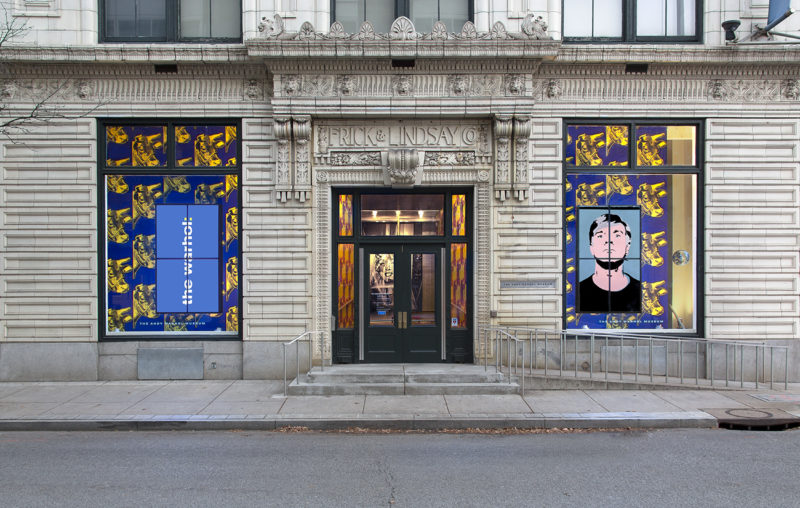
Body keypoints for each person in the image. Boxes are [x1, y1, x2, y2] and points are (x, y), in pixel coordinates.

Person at [578, 213, 641, 313]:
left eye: (617, 235)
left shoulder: (642, 292)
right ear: (591, 248)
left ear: (627, 247)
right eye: (600, 236)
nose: (609, 241)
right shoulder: (578, 292)